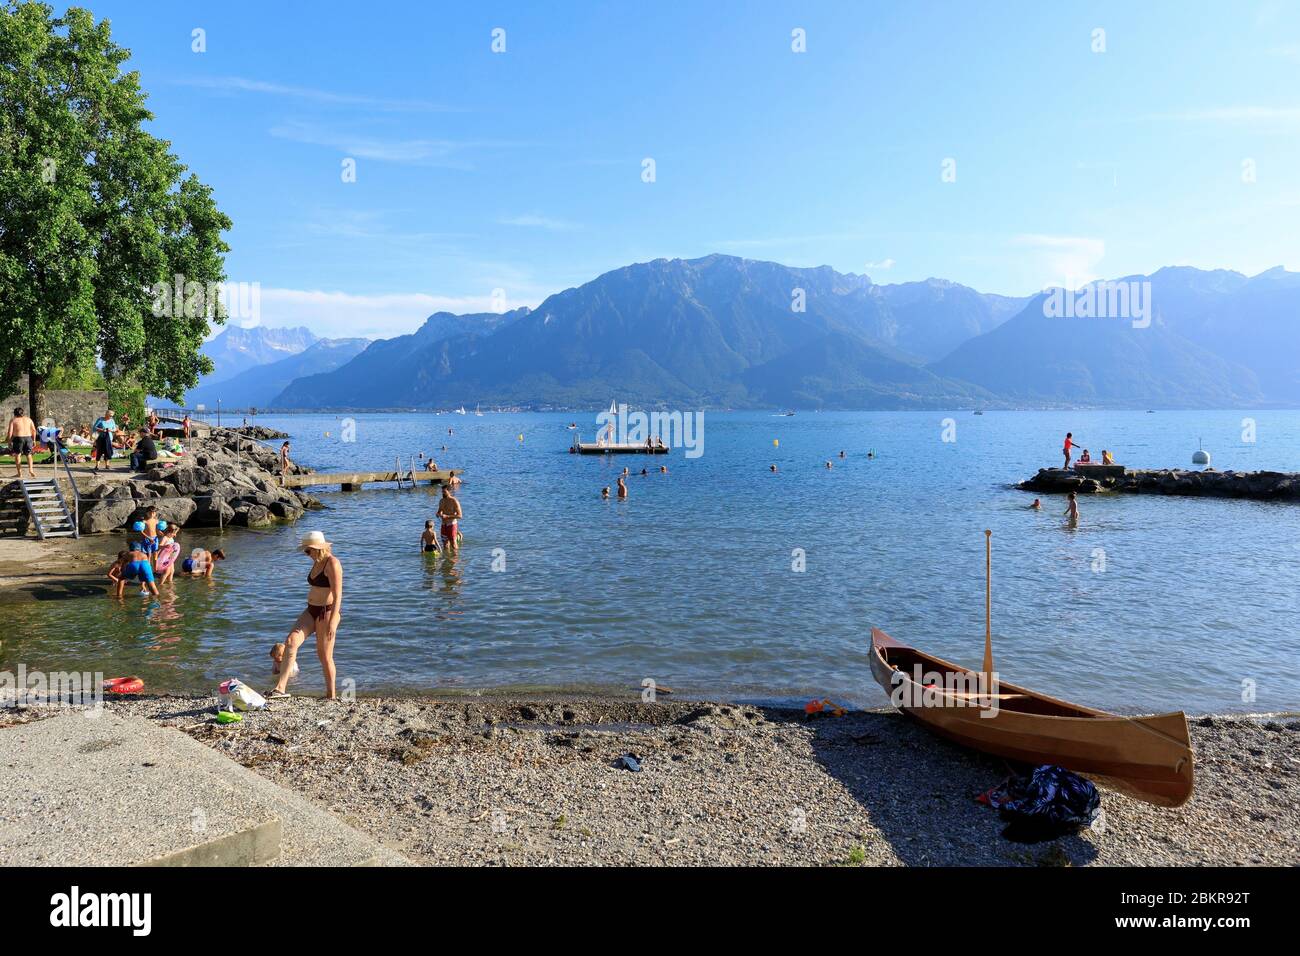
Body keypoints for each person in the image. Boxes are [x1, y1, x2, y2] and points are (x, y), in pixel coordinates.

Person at [269, 530, 342, 700]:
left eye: (308, 550)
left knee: (324, 655)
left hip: (327, 611)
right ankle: (280, 688)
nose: (306, 554)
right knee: (290, 642)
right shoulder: (316, 561)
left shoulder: (333, 563)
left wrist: (332, 621)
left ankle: (331, 695)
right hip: (311, 610)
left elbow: (338, 594)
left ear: (317, 548)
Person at [6, 407, 37, 478]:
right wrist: (34, 440)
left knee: (18, 455)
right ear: (22, 413)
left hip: (18, 438)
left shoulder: (13, 420)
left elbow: (10, 432)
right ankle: (31, 470)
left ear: (15, 413)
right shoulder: (29, 419)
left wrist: (9, 441)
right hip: (28, 438)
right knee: (29, 455)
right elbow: (34, 430)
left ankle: (19, 473)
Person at [437, 484, 463, 551]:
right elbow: (439, 511)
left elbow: (460, 515)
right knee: (445, 545)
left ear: (449, 491)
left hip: (451, 524)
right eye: (442, 492)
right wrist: (438, 514)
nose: (443, 493)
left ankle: (455, 560)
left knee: (453, 545)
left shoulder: (454, 501)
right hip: (443, 525)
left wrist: (447, 516)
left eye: (444, 492)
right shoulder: (441, 501)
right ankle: (447, 560)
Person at [92, 407, 117, 472]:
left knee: (107, 451)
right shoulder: (100, 419)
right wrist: (102, 429)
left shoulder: (112, 420)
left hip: (109, 438)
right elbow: (94, 427)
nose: (111, 417)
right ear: (106, 414)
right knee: (99, 451)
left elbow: (115, 429)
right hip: (100, 437)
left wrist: (110, 430)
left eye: (112, 416)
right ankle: (97, 465)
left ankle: (107, 465)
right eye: (110, 415)